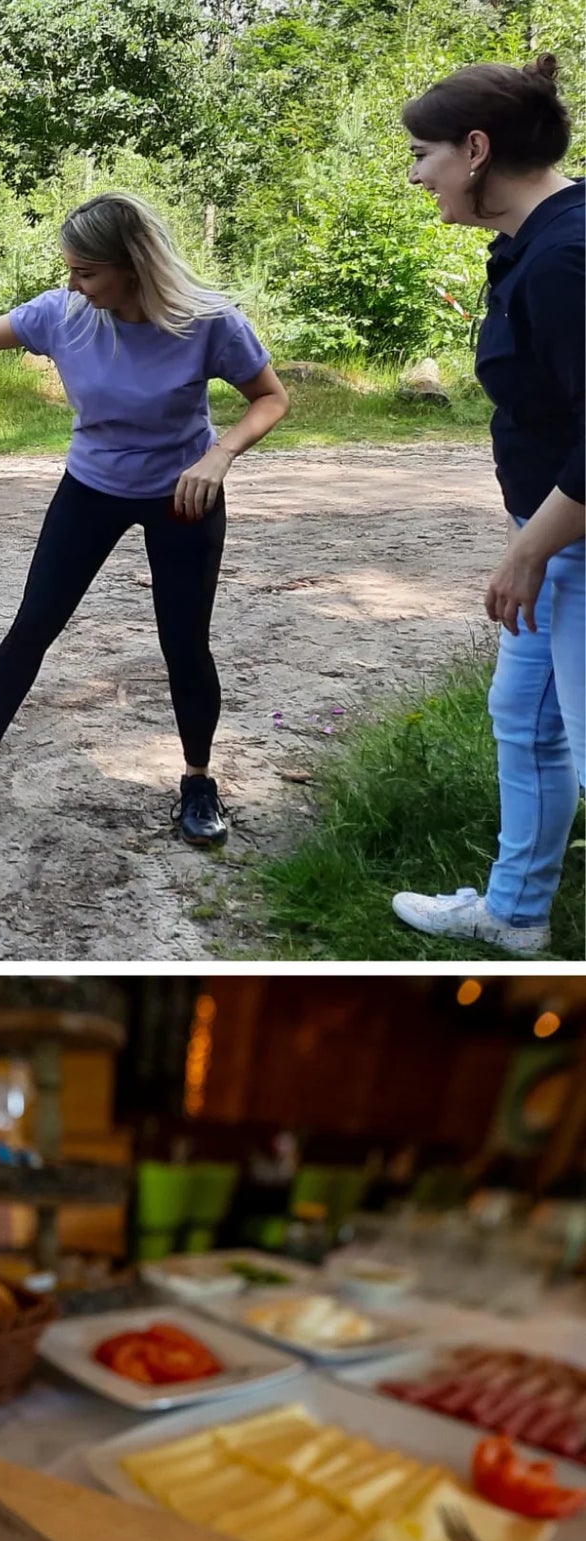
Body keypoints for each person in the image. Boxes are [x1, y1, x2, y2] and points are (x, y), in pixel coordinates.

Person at [0, 192, 288, 845]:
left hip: (183, 493)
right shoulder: (66, 315)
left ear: (134, 264)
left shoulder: (209, 322)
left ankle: (198, 782)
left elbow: (269, 398)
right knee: (34, 623)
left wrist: (220, 455)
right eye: (71, 270)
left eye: (86, 271)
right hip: (93, 485)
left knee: (184, 643)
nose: (72, 284)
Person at [393, 58, 584, 954]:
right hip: (556, 539)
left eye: (423, 154)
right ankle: (514, 915)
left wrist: (529, 551)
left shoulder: (566, 257)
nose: (417, 174)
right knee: (528, 721)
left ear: (476, 150)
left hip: (571, 543)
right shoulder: (536, 243)